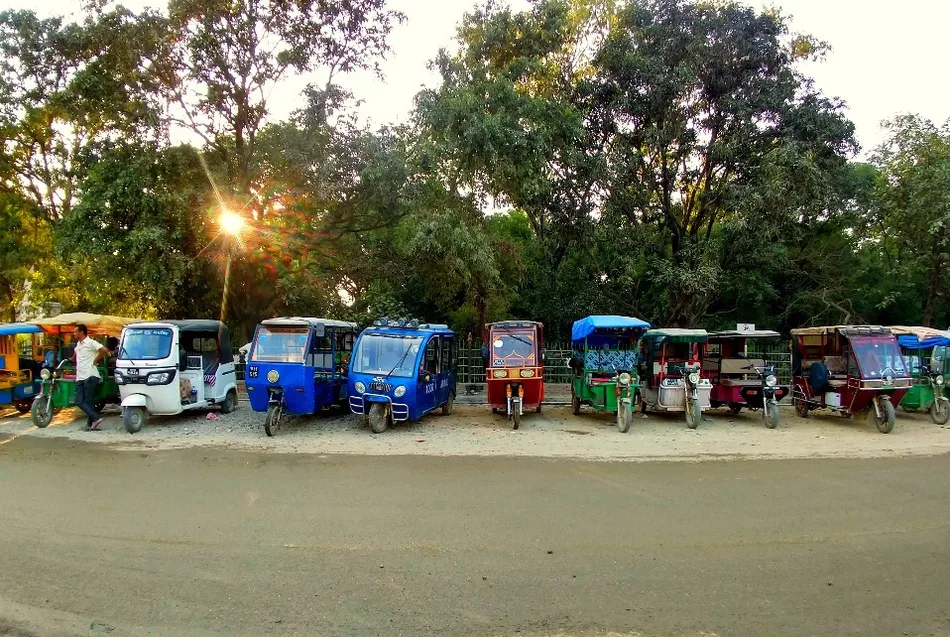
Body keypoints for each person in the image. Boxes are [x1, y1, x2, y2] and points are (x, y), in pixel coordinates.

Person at [73, 324, 108, 431]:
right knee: (80, 401)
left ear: (82, 332)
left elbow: (103, 350)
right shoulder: (78, 345)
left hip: (90, 375)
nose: (74, 334)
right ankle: (94, 420)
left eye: (75, 331)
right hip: (80, 376)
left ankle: (92, 422)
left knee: (87, 401)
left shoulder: (90, 342)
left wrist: (95, 360)